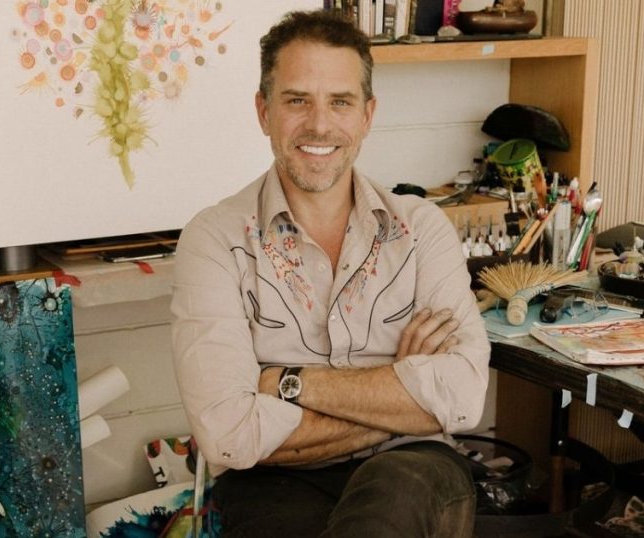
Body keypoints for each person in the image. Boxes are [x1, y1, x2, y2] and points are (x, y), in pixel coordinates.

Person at [171, 9, 489, 537]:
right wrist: (401, 390)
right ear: (264, 111)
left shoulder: (421, 230)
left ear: (367, 115)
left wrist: (286, 384)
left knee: (390, 503)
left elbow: (461, 397)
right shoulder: (214, 240)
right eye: (297, 100)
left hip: (414, 464)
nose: (319, 125)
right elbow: (230, 435)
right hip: (273, 481)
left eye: (340, 102)